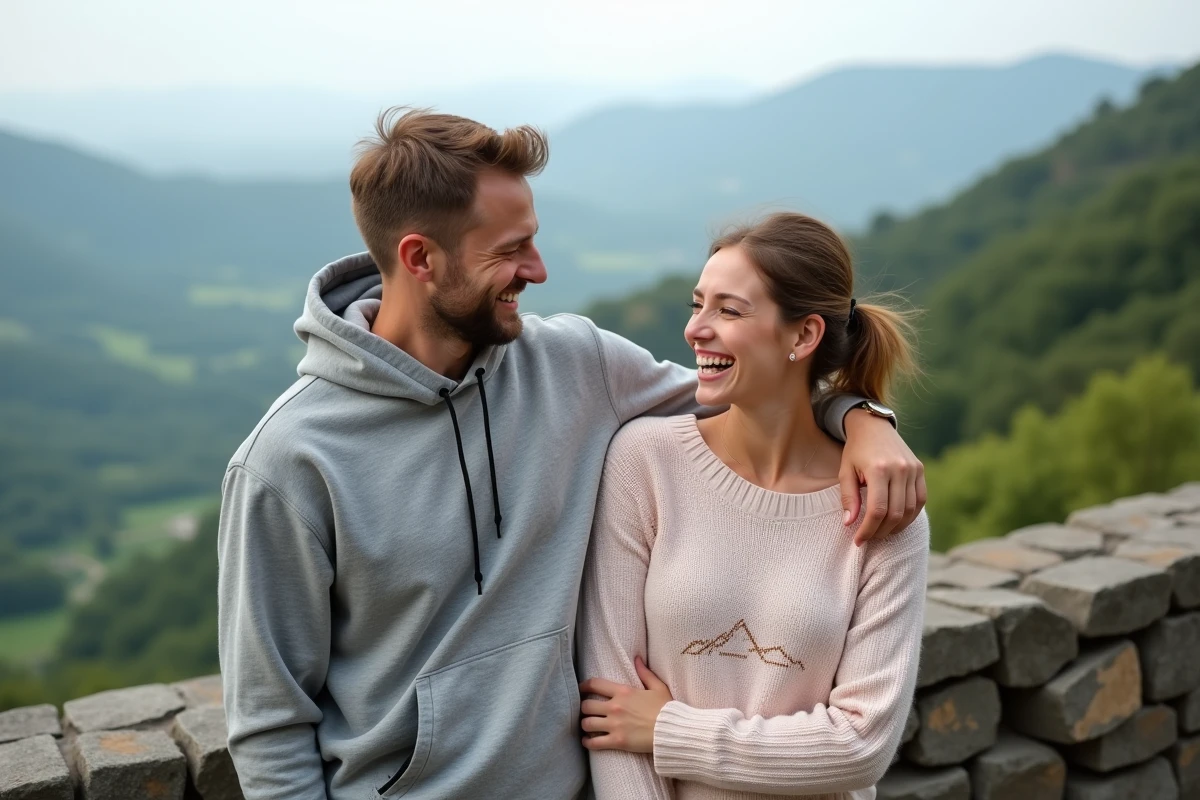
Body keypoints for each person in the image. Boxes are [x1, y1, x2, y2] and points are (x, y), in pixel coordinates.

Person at [216, 109, 926, 800]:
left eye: (534, 239)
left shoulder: (575, 364)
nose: (540, 269)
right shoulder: (287, 463)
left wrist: (862, 417)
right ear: (419, 258)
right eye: (510, 250)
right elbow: (270, 726)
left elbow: (757, 394)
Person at [577, 212, 929, 800]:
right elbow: (610, 708)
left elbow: (859, 746)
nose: (696, 330)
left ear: (803, 336)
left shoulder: (881, 509)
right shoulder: (646, 462)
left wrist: (668, 729)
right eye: (698, 305)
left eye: (729, 310)